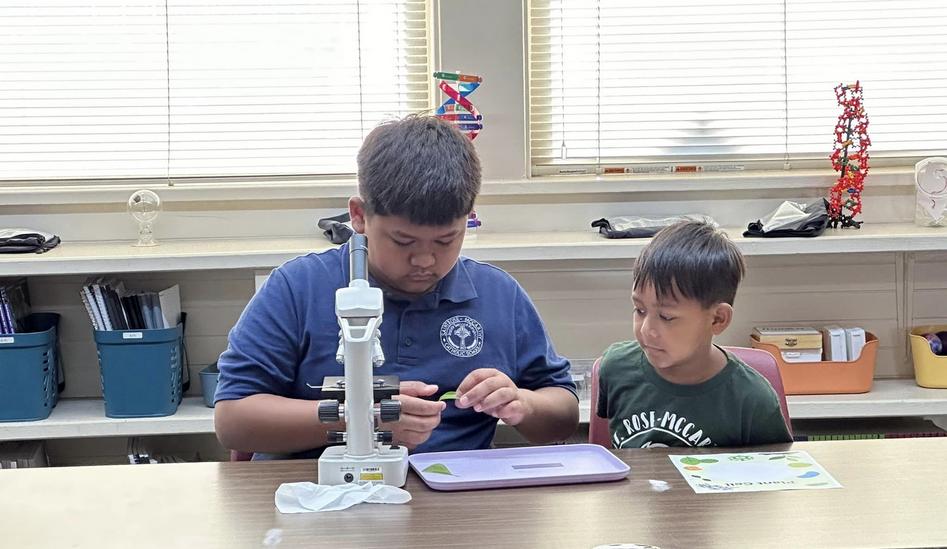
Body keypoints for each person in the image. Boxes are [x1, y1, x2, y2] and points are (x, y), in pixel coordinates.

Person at [215, 115, 578, 458]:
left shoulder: (498, 295)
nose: (424, 260)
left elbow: (560, 412)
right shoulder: (298, 288)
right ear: (359, 216)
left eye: (446, 240)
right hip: (319, 496)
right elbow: (234, 420)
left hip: (458, 503)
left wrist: (523, 404)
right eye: (403, 242)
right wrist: (361, 417)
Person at [596, 221, 792, 448]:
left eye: (666, 317)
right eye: (640, 310)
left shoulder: (753, 400)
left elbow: (776, 476)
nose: (645, 329)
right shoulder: (616, 368)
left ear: (718, 319)